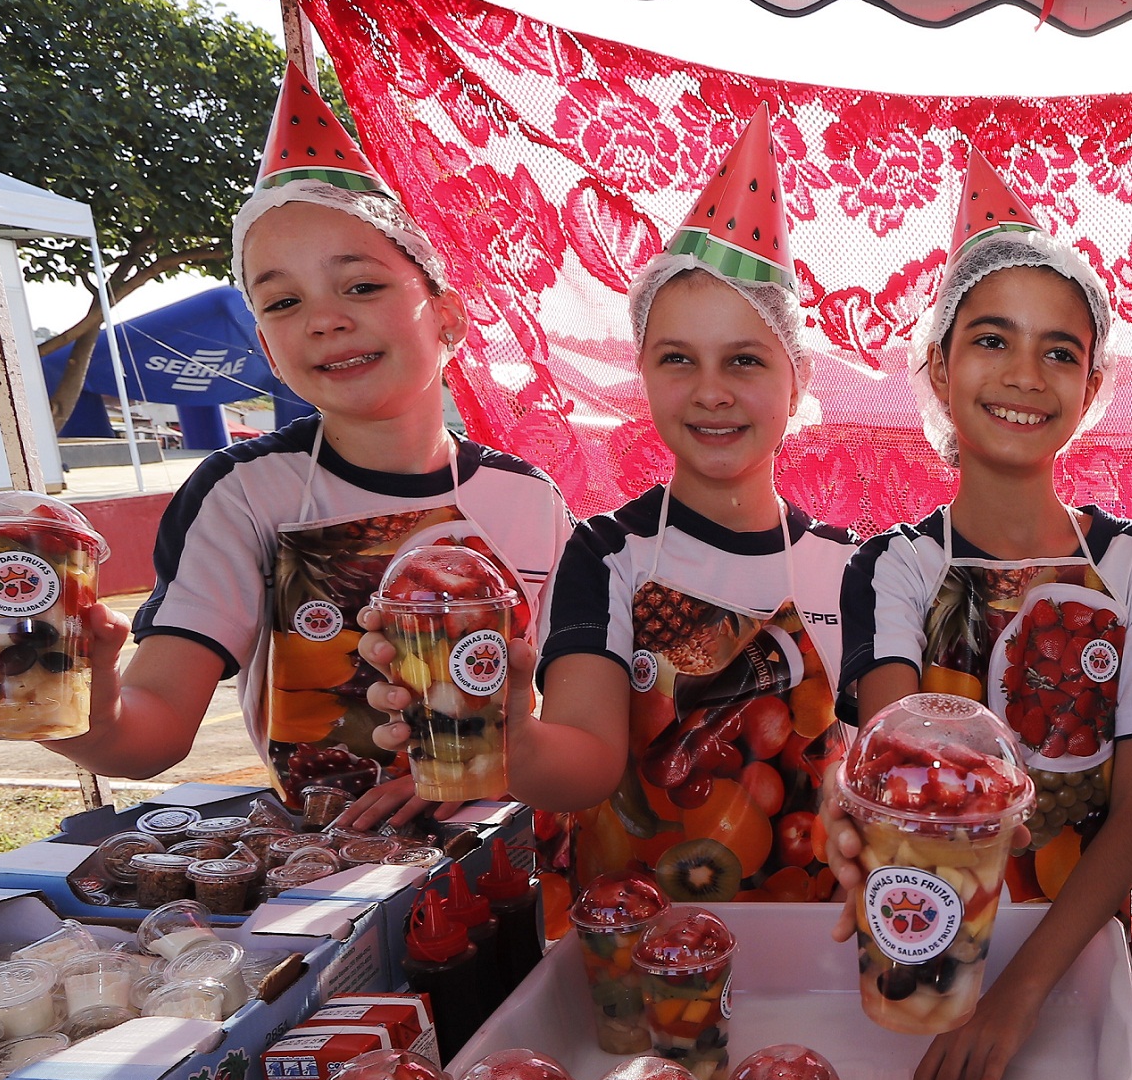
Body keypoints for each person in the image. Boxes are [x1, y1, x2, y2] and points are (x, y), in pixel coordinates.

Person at [0, 65, 569, 829]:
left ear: (446, 318)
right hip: (331, 857)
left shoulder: (531, 500)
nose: (324, 319)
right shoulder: (242, 493)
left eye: (361, 286)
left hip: (515, 843)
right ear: (267, 349)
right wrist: (68, 686)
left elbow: (582, 718)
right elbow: (150, 735)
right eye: (283, 301)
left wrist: (482, 760)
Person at [366, 111, 853, 933]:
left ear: (796, 379)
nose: (711, 391)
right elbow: (588, 763)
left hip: (810, 946)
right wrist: (511, 736)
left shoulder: (850, 567)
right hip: (624, 953)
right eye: (677, 359)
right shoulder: (606, 554)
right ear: (644, 374)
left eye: (744, 359)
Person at [831, 151, 1132, 1080]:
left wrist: (1020, 994)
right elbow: (895, 776)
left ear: (1091, 385)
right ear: (940, 367)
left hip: (1074, 961)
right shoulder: (895, 568)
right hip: (918, 943)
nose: (1026, 375)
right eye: (993, 340)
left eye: (1059, 352)